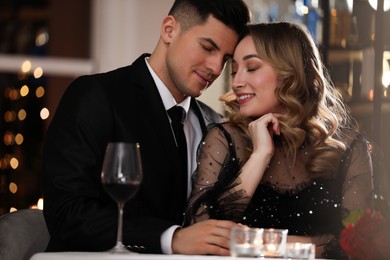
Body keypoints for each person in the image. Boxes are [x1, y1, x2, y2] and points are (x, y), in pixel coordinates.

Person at [42, 0, 250, 255]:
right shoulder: (96, 96)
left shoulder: (214, 125)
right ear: (169, 30)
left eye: (226, 59)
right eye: (208, 47)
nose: (216, 68)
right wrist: (170, 238)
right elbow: (67, 212)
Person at [184, 22, 375, 259]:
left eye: (251, 68)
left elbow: (359, 243)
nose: (236, 82)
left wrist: (265, 242)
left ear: (290, 72)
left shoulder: (349, 148)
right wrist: (260, 155)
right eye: (234, 70)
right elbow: (202, 230)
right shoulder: (225, 138)